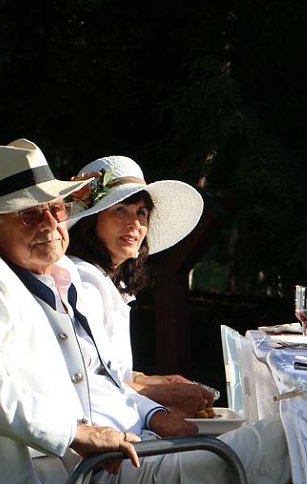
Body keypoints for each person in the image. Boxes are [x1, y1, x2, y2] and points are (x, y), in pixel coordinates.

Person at [0, 139, 293, 484]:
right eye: (29, 215)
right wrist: (74, 432)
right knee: (294, 431)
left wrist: (153, 413)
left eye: (55, 209)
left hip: (136, 463)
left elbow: (104, 378)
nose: (50, 224)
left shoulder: (57, 279)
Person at [65, 155, 216, 418]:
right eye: (120, 209)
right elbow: (84, 380)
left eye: (141, 212)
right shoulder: (83, 281)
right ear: (91, 221)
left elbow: (108, 369)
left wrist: (150, 380)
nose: (134, 223)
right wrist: (158, 396)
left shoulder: (106, 281)